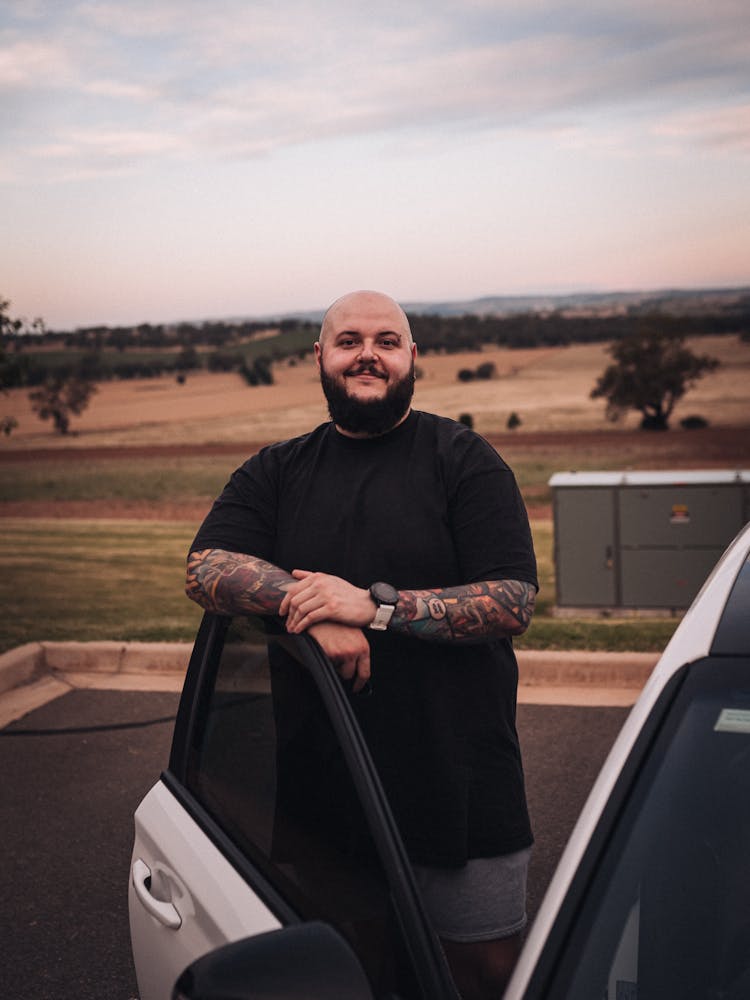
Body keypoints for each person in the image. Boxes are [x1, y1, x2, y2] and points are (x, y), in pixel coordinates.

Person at [185, 289, 538, 999]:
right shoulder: (277, 471)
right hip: (328, 787)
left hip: (459, 780)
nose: (367, 354)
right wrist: (305, 604)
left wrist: (374, 609)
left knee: (481, 976)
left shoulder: (466, 461)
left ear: (414, 359)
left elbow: (511, 600)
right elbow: (206, 567)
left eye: (386, 340)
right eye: (349, 341)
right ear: (319, 357)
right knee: (352, 973)